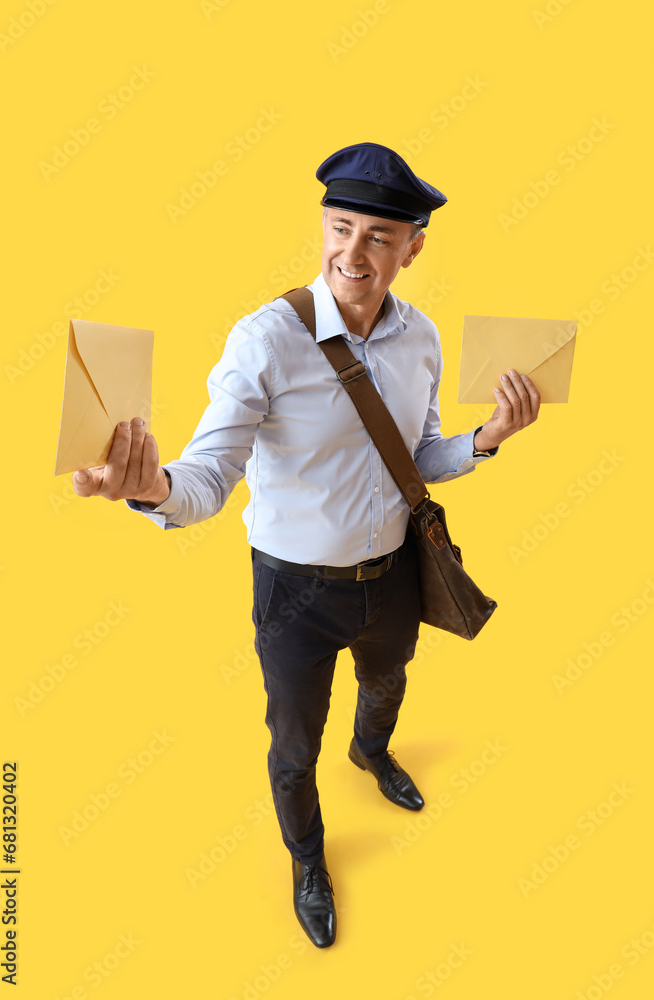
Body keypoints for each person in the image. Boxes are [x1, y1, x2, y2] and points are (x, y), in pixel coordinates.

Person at [72, 142, 540, 949]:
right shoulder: (264, 342)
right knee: (292, 743)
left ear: (412, 247)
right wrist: (146, 489)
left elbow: (416, 459)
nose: (351, 253)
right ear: (322, 225)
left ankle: (371, 754)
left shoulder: (420, 338)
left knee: (388, 677)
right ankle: (308, 863)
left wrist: (486, 438)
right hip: (293, 591)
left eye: (377, 237)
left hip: (391, 573)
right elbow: (208, 477)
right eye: (339, 227)